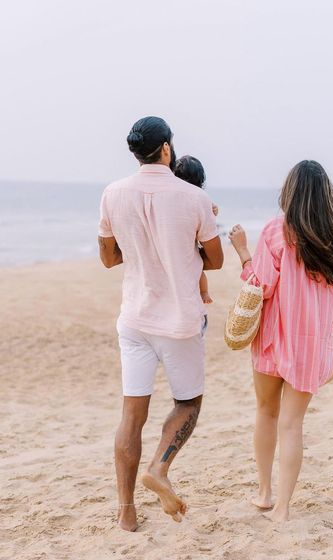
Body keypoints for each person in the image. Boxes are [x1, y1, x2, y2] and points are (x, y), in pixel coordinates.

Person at [98, 116, 223, 531]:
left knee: (131, 414)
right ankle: (159, 467)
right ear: (166, 148)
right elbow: (216, 260)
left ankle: (125, 512)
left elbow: (109, 257)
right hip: (180, 321)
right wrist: (183, 251)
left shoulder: (112, 194)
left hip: (134, 318)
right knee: (188, 402)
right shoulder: (194, 198)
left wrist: (143, 249)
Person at [228, 160, 333, 522]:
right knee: (293, 424)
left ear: (291, 192)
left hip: (272, 340)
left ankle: (265, 493)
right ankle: (283, 509)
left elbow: (261, 286)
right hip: (311, 344)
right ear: (324, 197)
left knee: (266, 412)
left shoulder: (276, 231)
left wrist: (243, 252)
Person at [174, 155, 219, 304]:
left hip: (183, 244)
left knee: (198, 271)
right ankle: (204, 292)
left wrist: (213, 210)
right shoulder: (199, 197)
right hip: (188, 246)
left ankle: (204, 292)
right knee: (198, 271)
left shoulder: (195, 198)